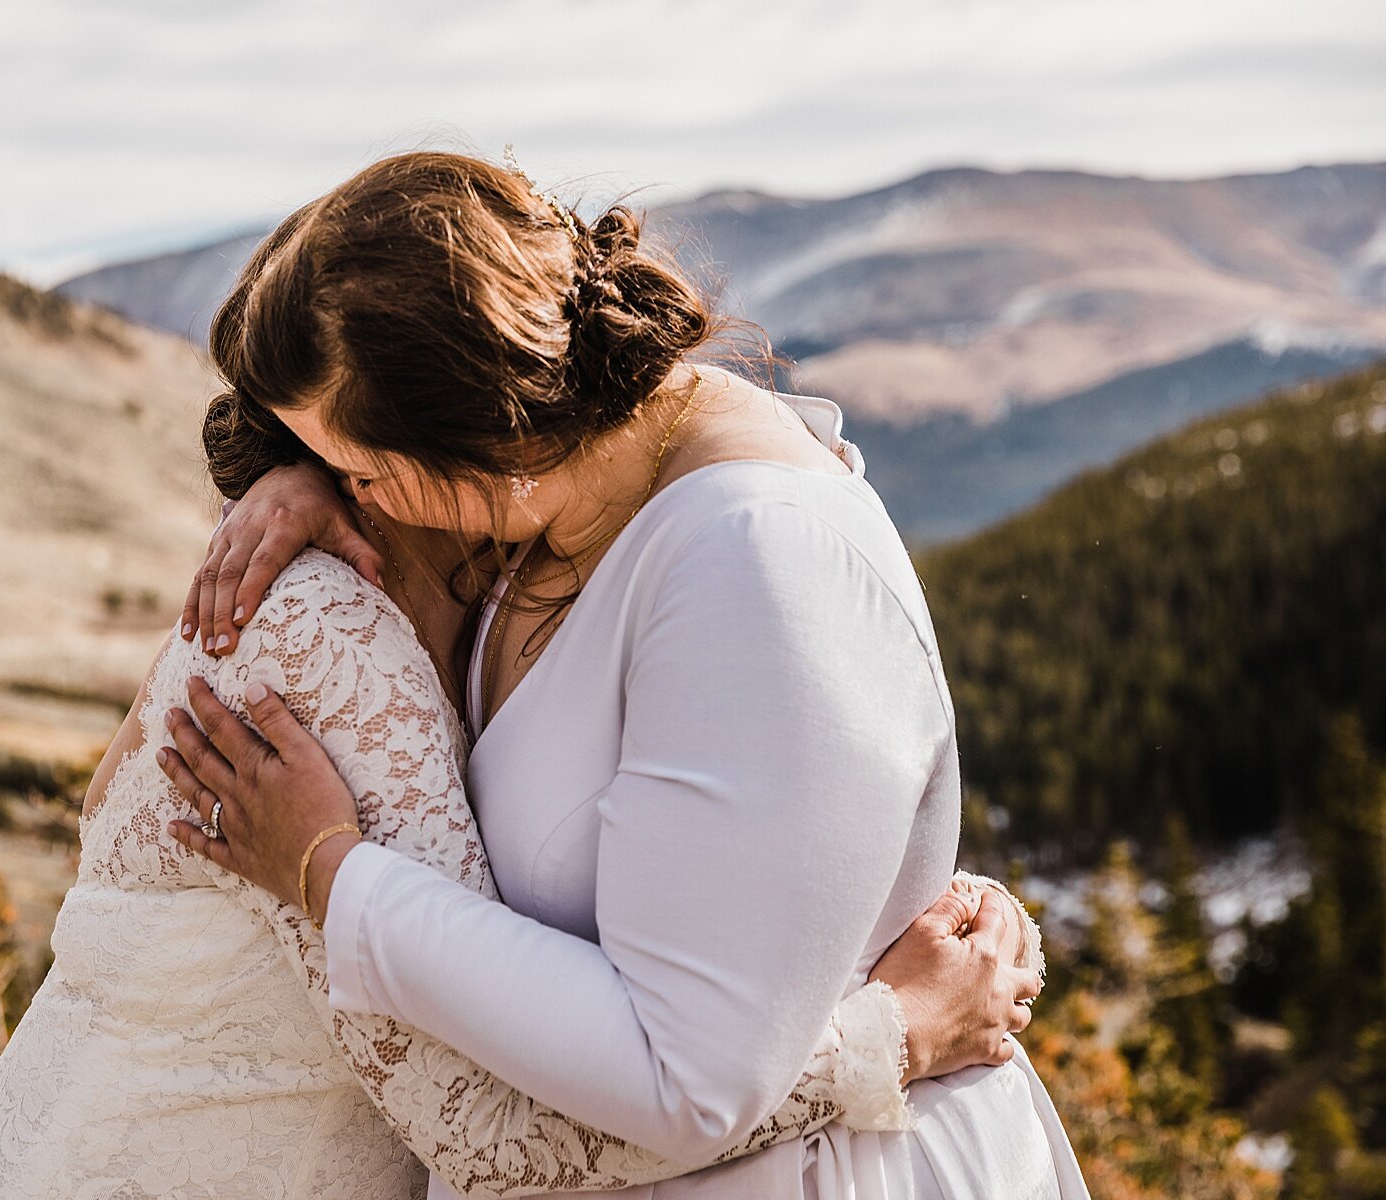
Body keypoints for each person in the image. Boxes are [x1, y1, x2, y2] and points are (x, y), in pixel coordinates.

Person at [154, 148, 1089, 1198]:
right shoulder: (563, 499)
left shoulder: (756, 560)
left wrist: (332, 869)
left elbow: (682, 1079)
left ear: (483, 436)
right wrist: (299, 480)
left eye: (364, 471)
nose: (358, 498)